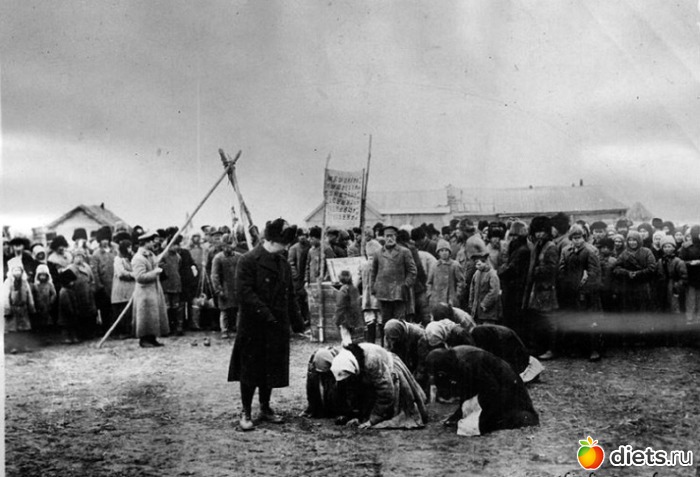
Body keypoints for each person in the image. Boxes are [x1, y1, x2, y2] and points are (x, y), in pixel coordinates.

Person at [228, 218, 304, 431]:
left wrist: (298, 322)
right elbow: (244, 293)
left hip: (277, 325)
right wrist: (267, 315)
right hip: (254, 326)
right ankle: (245, 411)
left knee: (271, 368)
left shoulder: (282, 263)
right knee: (250, 370)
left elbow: (290, 295)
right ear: (270, 241)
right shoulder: (248, 260)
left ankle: (265, 407)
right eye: (283, 244)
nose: (286, 248)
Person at [425, 346, 539, 435]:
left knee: (506, 418)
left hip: (506, 383)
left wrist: (482, 420)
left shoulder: (468, 363)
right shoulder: (454, 360)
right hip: (496, 380)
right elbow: (468, 392)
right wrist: (458, 415)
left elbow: (491, 391)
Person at [330, 342, 428, 429]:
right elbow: (349, 390)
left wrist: (373, 420)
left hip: (388, 369)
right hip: (369, 373)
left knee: (399, 410)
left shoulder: (371, 361)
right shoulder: (342, 362)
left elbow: (386, 393)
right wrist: (349, 414)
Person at [558, 224, 603, 361]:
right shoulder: (566, 251)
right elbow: (561, 270)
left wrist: (585, 289)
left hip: (588, 293)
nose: (577, 240)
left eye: (580, 237)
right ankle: (577, 348)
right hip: (571, 292)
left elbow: (594, 273)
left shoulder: (590, 250)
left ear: (584, 237)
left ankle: (594, 349)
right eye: (574, 238)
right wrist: (566, 286)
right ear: (570, 238)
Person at [523, 216, 559, 360]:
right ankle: (540, 348)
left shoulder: (550, 247)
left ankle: (552, 349)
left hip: (547, 289)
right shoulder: (538, 245)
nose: (539, 234)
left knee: (549, 320)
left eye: (542, 231)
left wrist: (537, 270)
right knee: (538, 319)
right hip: (537, 288)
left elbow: (553, 268)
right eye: (537, 231)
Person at [371, 225, 417, 323]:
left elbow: (412, 271)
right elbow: (373, 272)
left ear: (396, 237)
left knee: (399, 321)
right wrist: (373, 287)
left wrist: (406, 284)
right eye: (387, 236)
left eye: (392, 236)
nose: (389, 239)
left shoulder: (404, 252)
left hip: (399, 293)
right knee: (385, 321)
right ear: (383, 237)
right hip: (383, 293)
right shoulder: (378, 253)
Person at [132, 231, 169, 348]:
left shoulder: (151, 255)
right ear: (146, 242)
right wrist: (155, 272)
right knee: (145, 316)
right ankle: (144, 340)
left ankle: (152, 338)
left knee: (153, 316)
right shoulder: (138, 258)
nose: (154, 243)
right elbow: (140, 277)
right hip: (144, 292)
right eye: (152, 241)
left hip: (154, 290)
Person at [498, 220, 530, 333]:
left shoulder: (521, 250)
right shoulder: (521, 248)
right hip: (516, 289)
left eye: (513, 235)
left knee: (512, 319)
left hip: (514, 290)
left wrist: (499, 271)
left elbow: (510, 269)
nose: (511, 238)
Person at [211, 234, 242, 339]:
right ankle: (224, 330)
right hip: (225, 287)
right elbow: (214, 275)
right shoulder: (218, 258)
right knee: (224, 311)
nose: (228, 247)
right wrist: (218, 289)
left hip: (237, 287)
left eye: (230, 244)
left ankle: (238, 329)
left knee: (239, 310)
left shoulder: (239, 257)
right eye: (225, 245)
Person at [302, 346, 346, 418]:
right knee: (313, 386)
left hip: (331, 368)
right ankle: (315, 409)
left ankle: (332, 410)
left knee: (332, 388)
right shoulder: (313, 362)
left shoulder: (337, 360)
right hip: (316, 367)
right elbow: (310, 389)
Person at [3, 264, 35, 352]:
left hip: (23, 308)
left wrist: (31, 306)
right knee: (13, 329)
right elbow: (5, 296)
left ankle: (24, 345)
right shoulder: (8, 282)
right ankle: (13, 346)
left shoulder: (24, 282)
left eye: (19, 270)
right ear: (11, 272)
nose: (17, 272)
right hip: (13, 308)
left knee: (24, 328)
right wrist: (7, 308)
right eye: (15, 270)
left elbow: (29, 295)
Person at [90, 226, 116, 333]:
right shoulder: (96, 254)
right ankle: (106, 329)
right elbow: (94, 272)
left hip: (115, 283)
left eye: (106, 239)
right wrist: (99, 286)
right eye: (102, 240)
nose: (105, 242)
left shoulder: (115, 251)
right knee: (105, 308)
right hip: (104, 285)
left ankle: (116, 328)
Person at [427, 239, 464, 310]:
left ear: (449, 252)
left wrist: (457, 295)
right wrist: (430, 294)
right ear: (438, 253)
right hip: (436, 298)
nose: (444, 253)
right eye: (441, 251)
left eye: (446, 250)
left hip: (450, 298)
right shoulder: (435, 265)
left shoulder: (455, 265)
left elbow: (461, 282)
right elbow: (429, 282)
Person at [69, 249, 98, 340]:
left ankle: (90, 333)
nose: (79, 259)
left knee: (90, 313)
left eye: (81, 256)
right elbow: (67, 282)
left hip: (88, 293)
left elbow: (92, 279)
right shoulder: (70, 268)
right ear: (73, 258)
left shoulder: (87, 267)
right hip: (77, 293)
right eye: (77, 256)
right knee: (79, 313)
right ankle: (81, 334)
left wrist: (92, 289)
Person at [160, 234, 184, 336]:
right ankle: (166, 327)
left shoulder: (178, 257)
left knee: (177, 306)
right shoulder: (163, 256)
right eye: (174, 244)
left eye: (177, 245)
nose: (176, 247)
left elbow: (179, 268)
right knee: (166, 307)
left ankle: (178, 327)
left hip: (176, 284)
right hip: (166, 285)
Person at [360, 238, 383, 344]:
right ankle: (383, 342)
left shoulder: (363, 265)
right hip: (379, 296)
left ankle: (371, 343)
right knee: (380, 319)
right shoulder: (381, 264)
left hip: (367, 298)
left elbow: (358, 280)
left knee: (370, 320)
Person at [111, 239, 136, 338]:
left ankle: (129, 331)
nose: (130, 249)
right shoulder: (118, 259)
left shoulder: (131, 259)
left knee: (129, 311)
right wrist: (133, 274)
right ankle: (121, 332)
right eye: (128, 247)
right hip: (121, 289)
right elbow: (121, 273)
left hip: (130, 289)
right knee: (121, 310)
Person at [468, 252, 501, 324]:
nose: (478, 265)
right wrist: (471, 304)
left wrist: (485, 304)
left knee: (487, 328)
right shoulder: (476, 274)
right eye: (476, 263)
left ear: (486, 262)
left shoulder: (492, 274)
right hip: (477, 311)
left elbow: (494, 291)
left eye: (480, 262)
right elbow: (472, 290)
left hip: (488, 312)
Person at [287, 228, 311, 325]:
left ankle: (308, 318)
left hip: (307, 276)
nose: (303, 237)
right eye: (301, 235)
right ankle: (302, 319)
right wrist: (295, 275)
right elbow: (291, 263)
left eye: (305, 235)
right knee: (299, 299)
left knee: (307, 299)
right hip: (298, 279)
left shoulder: (310, 246)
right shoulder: (294, 248)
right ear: (297, 236)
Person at [335, 270, 364, 345]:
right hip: (355, 318)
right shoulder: (354, 288)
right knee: (355, 341)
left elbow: (340, 306)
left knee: (347, 341)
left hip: (345, 319)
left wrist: (337, 320)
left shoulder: (343, 290)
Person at [679, 225, 700, 325]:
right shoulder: (686, 246)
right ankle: (690, 318)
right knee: (691, 298)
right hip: (691, 276)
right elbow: (680, 261)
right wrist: (691, 263)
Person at [32, 264, 56, 335]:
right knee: (39, 318)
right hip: (38, 304)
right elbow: (33, 294)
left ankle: (47, 332)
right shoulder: (35, 285)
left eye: (44, 275)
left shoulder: (49, 285)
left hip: (47, 304)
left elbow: (54, 294)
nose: (42, 277)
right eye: (41, 275)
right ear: (38, 276)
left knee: (47, 318)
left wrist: (51, 301)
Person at [57, 269, 80, 343]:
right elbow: (66, 303)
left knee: (72, 325)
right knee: (66, 326)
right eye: (71, 281)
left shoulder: (70, 290)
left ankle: (73, 337)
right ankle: (66, 338)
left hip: (72, 311)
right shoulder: (64, 291)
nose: (73, 283)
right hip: (66, 312)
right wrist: (71, 310)